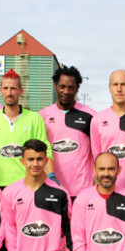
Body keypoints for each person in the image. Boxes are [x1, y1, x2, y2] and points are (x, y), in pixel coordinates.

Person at [0, 68, 54, 189]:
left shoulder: (34, 118)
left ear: (21, 91)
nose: (9, 93)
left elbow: (45, 150)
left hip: (27, 185)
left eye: (13, 88)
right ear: (0, 90)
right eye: (6, 88)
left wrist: (52, 175)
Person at [39, 66, 96, 199]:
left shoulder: (90, 116)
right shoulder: (42, 116)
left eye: (71, 87)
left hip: (82, 190)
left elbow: (97, 151)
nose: (66, 91)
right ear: (55, 86)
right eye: (62, 86)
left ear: (77, 88)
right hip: (51, 188)